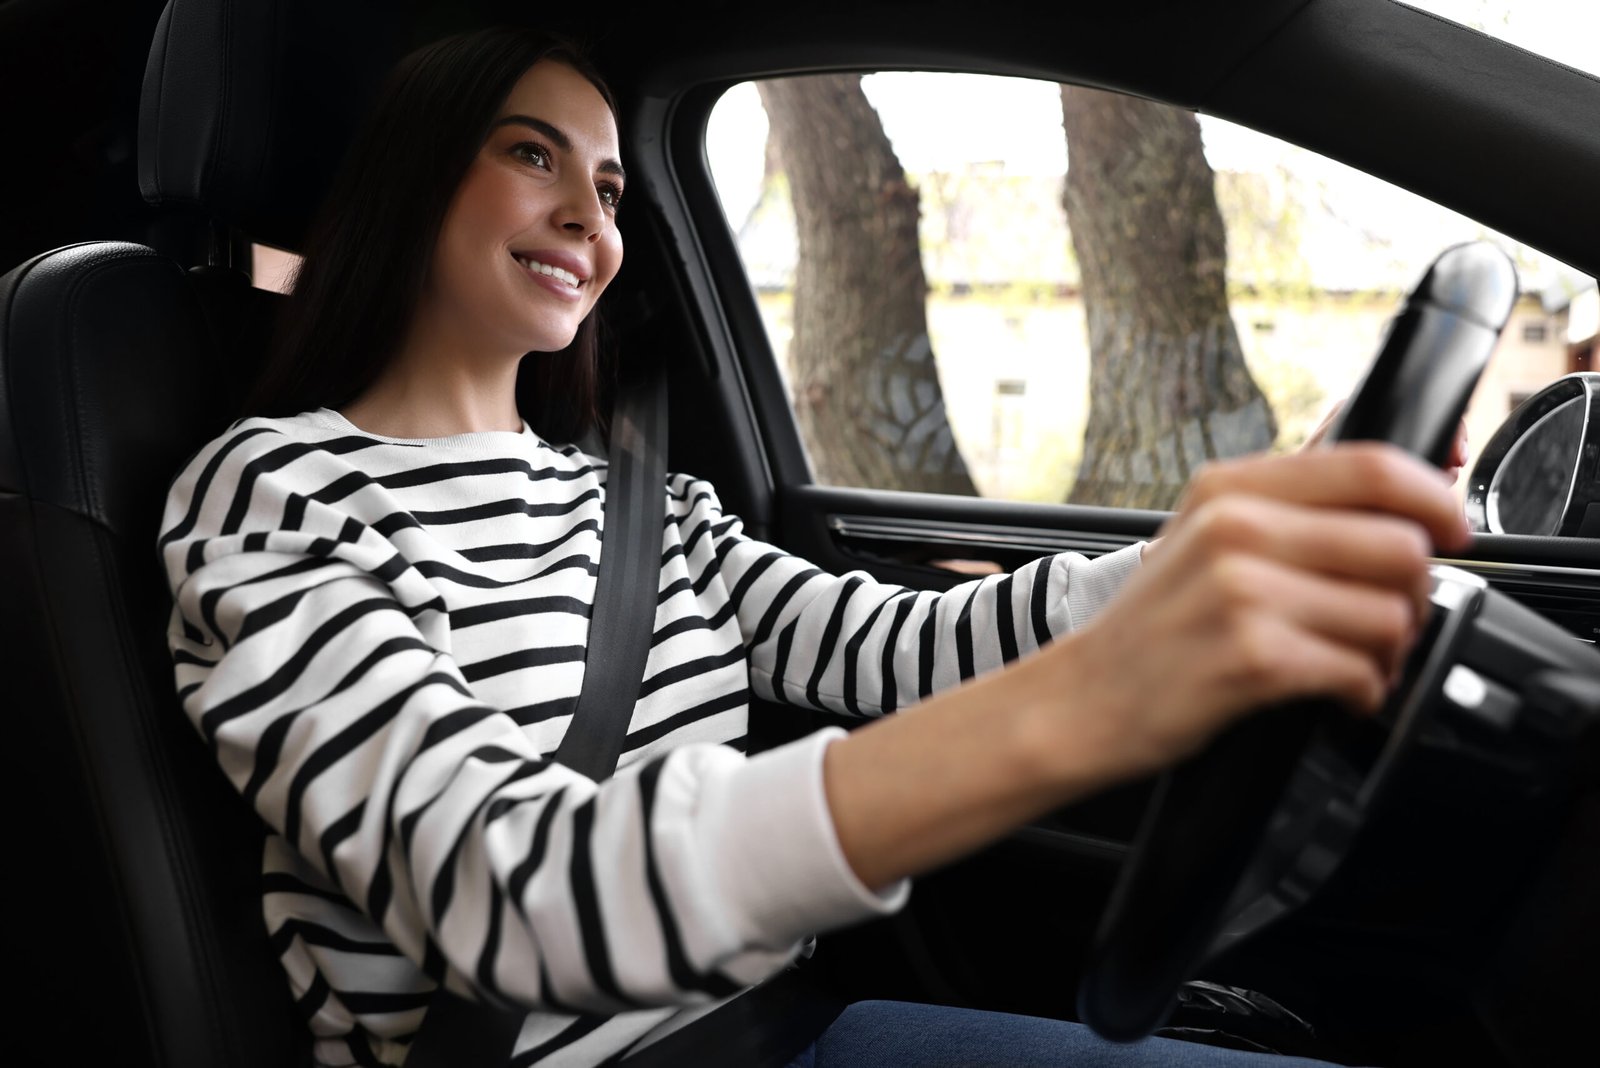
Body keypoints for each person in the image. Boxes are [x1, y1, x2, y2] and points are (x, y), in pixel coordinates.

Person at [158, 26, 1469, 1068]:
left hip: (788, 1033)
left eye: (609, 186)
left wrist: (1188, 564)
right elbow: (512, 893)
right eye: (532, 154)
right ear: (414, 175)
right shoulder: (276, 495)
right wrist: (1077, 712)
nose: (590, 218)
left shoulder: (638, 505)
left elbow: (893, 647)